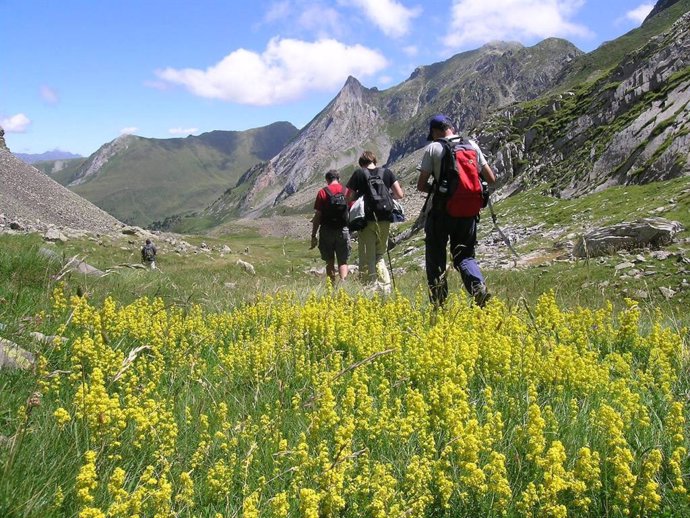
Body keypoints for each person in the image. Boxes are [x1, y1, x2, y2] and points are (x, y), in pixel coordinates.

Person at [417, 114, 497, 307]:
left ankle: (439, 304)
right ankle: (478, 288)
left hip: (441, 212)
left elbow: (421, 185)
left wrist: (439, 190)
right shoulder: (471, 145)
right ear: (450, 127)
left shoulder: (434, 148)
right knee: (465, 255)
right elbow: (491, 178)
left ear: (435, 131)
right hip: (468, 213)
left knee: (436, 257)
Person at [346, 151, 404, 293]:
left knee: (367, 257)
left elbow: (348, 197)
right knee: (379, 255)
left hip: (366, 220)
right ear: (374, 160)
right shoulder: (387, 173)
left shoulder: (359, 174)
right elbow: (399, 194)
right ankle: (386, 289)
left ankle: (369, 291)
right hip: (384, 219)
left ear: (362, 163)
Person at [310, 170, 351, 283]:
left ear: (327, 180)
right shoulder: (346, 191)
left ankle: (331, 285)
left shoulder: (322, 192)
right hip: (343, 229)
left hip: (326, 230)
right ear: (339, 179)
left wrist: (313, 235)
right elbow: (352, 210)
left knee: (330, 261)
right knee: (343, 261)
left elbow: (318, 216)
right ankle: (344, 283)